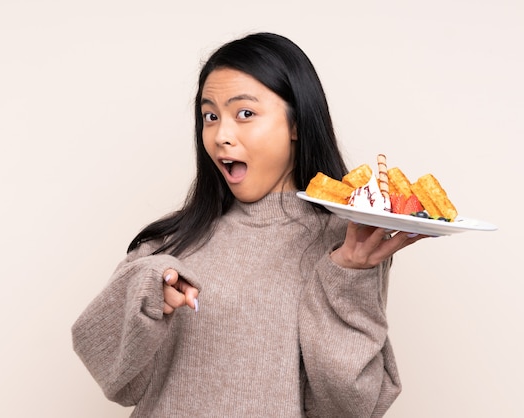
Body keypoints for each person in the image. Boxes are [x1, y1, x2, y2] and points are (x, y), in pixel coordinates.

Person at [71, 32, 424, 417]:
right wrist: (144, 292)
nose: (221, 135)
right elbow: (117, 380)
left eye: (245, 114)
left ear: (296, 123)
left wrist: (349, 276)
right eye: (210, 116)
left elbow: (349, 407)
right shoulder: (168, 245)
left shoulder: (347, 241)